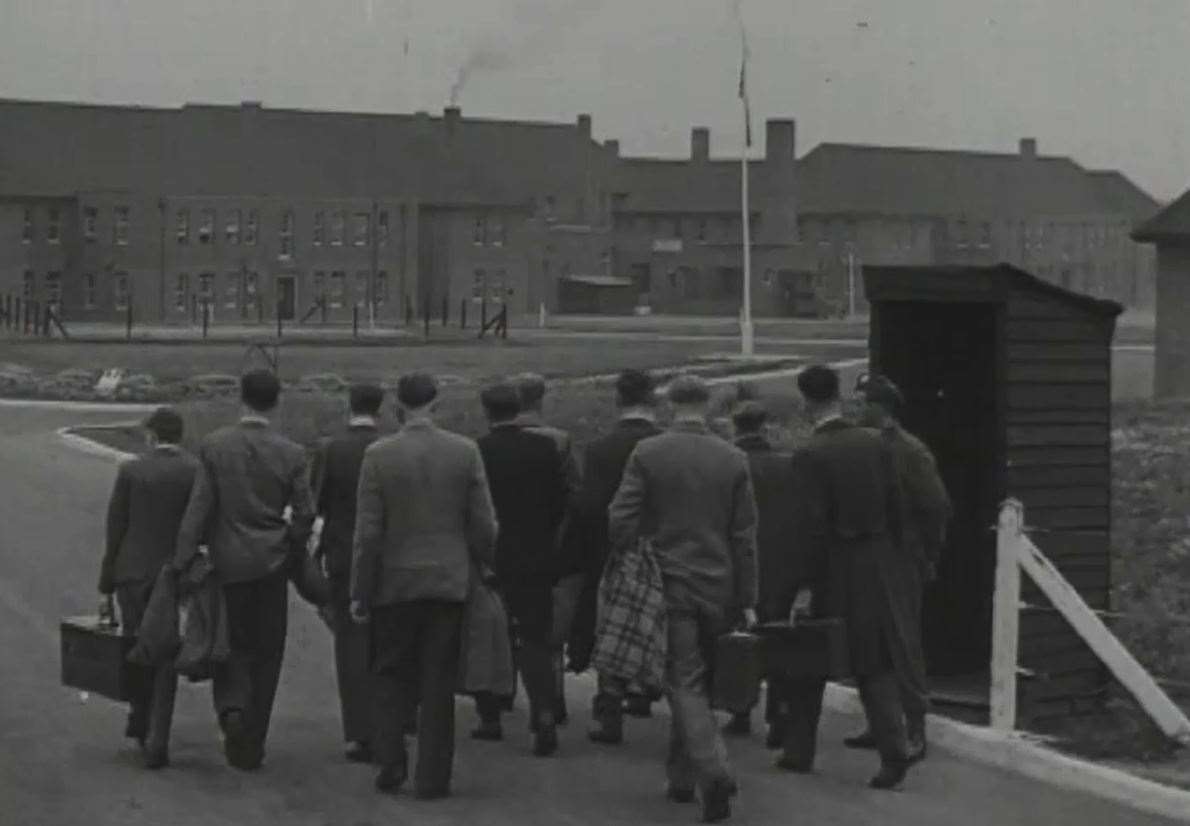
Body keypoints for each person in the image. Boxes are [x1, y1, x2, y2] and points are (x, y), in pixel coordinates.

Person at [608, 374, 758, 823]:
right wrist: (748, 594)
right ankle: (680, 778)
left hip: (667, 580)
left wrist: (634, 552)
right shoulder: (733, 458)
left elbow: (620, 519)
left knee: (683, 680)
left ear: (669, 404)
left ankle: (712, 772)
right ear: (708, 404)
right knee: (699, 680)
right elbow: (745, 534)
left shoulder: (648, 453)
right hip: (720, 583)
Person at [351, 372, 498, 798]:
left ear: (398, 408)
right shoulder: (465, 452)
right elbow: (484, 524)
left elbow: (368, 533)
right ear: (437, 405)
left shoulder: (378, 456)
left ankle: (391, 759)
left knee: (389, 671)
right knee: (439, 679)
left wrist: (361, 590)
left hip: (394, 581)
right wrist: (485, 565)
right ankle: (433, 775)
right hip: (448, 580)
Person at [174, 369, 316, 772]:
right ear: (277, 401)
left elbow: (199, 508)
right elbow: (306, 511)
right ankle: (253, 740)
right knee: (268, 652)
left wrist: (184, 559)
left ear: (242, 399)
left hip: (228, 562)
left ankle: (231, 708)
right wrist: (291, 541)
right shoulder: (292, 452)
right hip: (272, 563)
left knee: (230, 643)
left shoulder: (215, 446)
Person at [784, 364, 914, 789]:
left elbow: (810, 528)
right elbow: (898, 509)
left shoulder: (809, 455)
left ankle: (798, 750)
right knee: (873, 662)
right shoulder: (877, 444)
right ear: (838, 396)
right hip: (875, 561)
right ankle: (894, 750)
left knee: (810, 655)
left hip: (833, 567)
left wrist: (803, 585)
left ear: (806, 402)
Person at [846, 372, 951, 762]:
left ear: (881, 408)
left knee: (904, 644)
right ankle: (880, 724)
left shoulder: (909, 451)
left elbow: (935, 506)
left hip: (899, 558)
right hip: (867, 557)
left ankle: (916, 730)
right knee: (870, 644)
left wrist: (925, 554)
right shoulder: (865, 446)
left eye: (862, 402)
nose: (855, 408)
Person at [98, 407, 198, 769]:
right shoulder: (194, 471)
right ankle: (158, 733)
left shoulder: (131, 471)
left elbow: (116, 527)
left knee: (137, 645)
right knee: (167, 653)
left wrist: (106, 578)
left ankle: (140, 719)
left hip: (133, 574)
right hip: (175, 575)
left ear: (152, 435)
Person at [474, 383, 568, 756]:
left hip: (494, 554)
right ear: (519, 410)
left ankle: (491, 714)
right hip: (536, 553)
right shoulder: (546, 449)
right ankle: (544, 711)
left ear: (486, 412)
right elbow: (561, 502)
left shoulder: (478, 451)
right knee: (535, 638)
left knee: (489, 636)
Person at [576, 369, 664, 745]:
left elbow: (591, 506)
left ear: (618, 401)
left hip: (613, 547)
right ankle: (645, 689)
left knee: (610, 627)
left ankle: (609, 707)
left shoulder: (599, 450)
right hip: (662, 548)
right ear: (654, 400)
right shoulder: (666, 445)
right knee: (655, 621)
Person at [310, 383, 384, 764]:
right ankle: (396, 718)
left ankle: (358, 731)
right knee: (388, 641)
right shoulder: (390, 447)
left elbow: (315, 503)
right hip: (388, 557)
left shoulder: (330, 449)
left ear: (348, 406)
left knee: (351, 645)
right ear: (380, 409)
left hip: (343, 555)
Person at [722, 399, 798, 750]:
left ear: (734, 427)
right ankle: (780, 715)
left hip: (736, 564)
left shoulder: (728, 465)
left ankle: (740, 709)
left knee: (738, 639)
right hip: (781, 562)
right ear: (764, 426)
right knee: (778, 637)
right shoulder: (788, 465)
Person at [512, 372, 581, 725]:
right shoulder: (559, 440)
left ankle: (501, 697)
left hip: (508, 543)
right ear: (541, 400)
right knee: (547, 629)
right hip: (548, 544)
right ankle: (553, 695)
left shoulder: (497, 441)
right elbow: (573, 496)